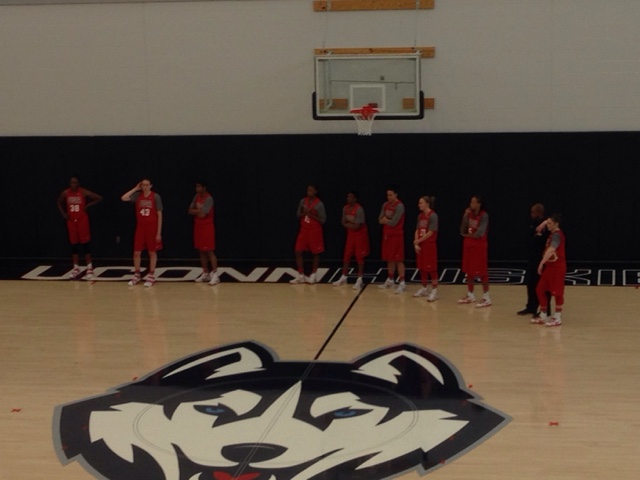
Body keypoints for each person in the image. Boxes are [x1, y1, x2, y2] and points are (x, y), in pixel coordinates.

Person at [57, 175, 103, 280]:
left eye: (75, 182)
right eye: (71, 182)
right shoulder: (65, 193)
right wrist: (63, 213)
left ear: (78, 184)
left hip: (82, 220)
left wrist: (88, 205)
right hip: (71, 221)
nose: (72, 184)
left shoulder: (83, 192)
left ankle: (89, 267)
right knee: (74, 244)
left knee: (85, 244)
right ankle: (76, 268)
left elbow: (99, 198)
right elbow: (59, 201)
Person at [121, 179, 163, 287]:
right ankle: (137, 274)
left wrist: (158, 233)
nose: (144, 187)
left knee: (152, 252)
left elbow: (160, 215)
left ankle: (151, 275)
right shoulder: (137, 196)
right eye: (143, 185)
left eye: (147, 185)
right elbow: (123, 198)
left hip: (152, 227)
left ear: (151, 186)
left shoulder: (155, 196)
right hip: (140, 227)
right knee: (136, 252)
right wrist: (135, 188)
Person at [531, 213, 566, 327]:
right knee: (540, 289)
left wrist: (541, 263)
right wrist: (544, 223)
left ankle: (557, 317)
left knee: (557, 293)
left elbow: (551, 250)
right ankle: (543, 315)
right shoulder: (552, 232)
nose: (548, 225)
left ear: (556, 224)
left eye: (550, 223)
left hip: (557, 268)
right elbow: (545, 223)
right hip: (550, 267)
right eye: (548, 223)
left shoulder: (557, 235)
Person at [458, 195, 491, 307]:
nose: (471, 204)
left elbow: (479, 234)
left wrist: (467, 235)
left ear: (479, 204)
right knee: (469, 270)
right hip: (468, 246)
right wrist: (465, 216)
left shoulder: (484, 215)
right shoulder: (469, 214)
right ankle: (470, 294)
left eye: (473, 202)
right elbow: (462, 230)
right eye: (471, 202)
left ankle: (486, 297)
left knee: (482, 272)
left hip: (479, 247)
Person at [333, 191, 369, 290]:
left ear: (355, 199)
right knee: (347, 255)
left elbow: (357, 226)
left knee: (359, 257)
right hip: (350, 235)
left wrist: (349, 224)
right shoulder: (345, 208)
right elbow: (343, 221)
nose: (348, 199)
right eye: (348, 197)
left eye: (351, 197)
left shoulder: (359, 209)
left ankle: (359, 279)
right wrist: (350, 225)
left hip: (360, 236)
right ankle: (344, 276)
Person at [290, 184, 326, 284]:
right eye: (307, 190)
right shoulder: (303, 201)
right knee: (298, 251)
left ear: (315, 191)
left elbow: (323, 220)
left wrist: (311, 214)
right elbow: (298, 215)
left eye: (310, 190)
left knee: (315, 253)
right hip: (304, 230)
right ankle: (301, 275)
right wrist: (305, 213)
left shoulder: (319, 204)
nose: (308, 192)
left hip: (314, 231)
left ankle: (313, 274)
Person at [517, 203, 549, 316]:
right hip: (531, 258)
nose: (531, 214)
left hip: (540, 259)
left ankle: (545, 309)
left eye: (533, 212)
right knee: (530, 283)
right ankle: (531, 306)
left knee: (541, 285)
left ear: (539, 213)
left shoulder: (546, 225)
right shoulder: (532, 223)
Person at [188, 181, 220, 286]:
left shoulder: (209, 198)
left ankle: (215, 274)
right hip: (198, 227)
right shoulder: (196, 197)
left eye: (199, 187)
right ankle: (205, 273)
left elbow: (203, 215)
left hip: (207, 227)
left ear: (204, 187)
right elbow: (189, 210)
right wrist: (198, 211)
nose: (197, 189)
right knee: (201, 251)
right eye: (196, 186)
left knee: (209, 251)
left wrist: (196, 211)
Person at [378, 186, 406, 293]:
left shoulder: (399, 206)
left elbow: (394, 222)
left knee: (398, 259)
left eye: (391, 195)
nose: (389, 197)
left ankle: (402, 282)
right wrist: (386, 220)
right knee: (389, 258)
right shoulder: (385, 205)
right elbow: (380, 219)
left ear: (396, 195)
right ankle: (390, 279)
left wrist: (386, 220)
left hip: (396, 236)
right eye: (387, 195)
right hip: (387, 235)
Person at [412, 196, 439, 302]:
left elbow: (430, 232)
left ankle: (435, 291)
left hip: (429, 245)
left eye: (421, 203)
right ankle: (424, 289)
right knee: (422, 268)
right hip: (421, 245)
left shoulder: (433, 216)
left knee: (431, 269)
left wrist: (418, 241)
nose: (419, 205)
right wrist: (416, 243)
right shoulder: (420, 216)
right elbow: (417, 229)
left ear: (427, 204)